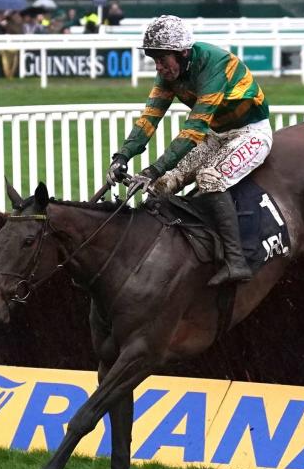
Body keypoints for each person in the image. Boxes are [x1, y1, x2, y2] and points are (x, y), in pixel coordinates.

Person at [109, 15, 272, 286]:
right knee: (161, 186)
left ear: (182, 52)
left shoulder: (216, 64)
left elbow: (194, 129)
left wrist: (152, 168)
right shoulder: (169, 74)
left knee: (209, 179)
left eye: (163, 59)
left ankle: (236, 262)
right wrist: (122, 156)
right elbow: (149, 118)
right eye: (154, 60)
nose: (159, 67)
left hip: (251, 133)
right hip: (217, 135)